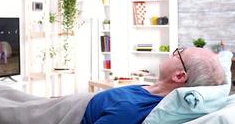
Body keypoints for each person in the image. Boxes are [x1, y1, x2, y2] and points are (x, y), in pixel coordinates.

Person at [81, 47, 225, 124]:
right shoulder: (150, 94)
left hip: (72, 112)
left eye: (179, 53)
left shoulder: (130, 110)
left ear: (179, 76)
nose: (173, 53)